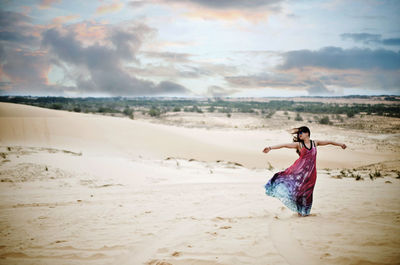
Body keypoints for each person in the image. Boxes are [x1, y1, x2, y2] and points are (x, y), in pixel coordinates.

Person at [263, 126, 347, 217]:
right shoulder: (299, 145)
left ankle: (306, 213)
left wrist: (340, 144)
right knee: (299, 192)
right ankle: (300, 212)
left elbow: (329, 142)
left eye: (301, 133)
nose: (299, 135)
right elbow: (284, 145)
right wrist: (270, 147)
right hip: (299, 172)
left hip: (311, 174)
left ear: (307, 133)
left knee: (308, 193)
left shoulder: (315, 143)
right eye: (298, 134)